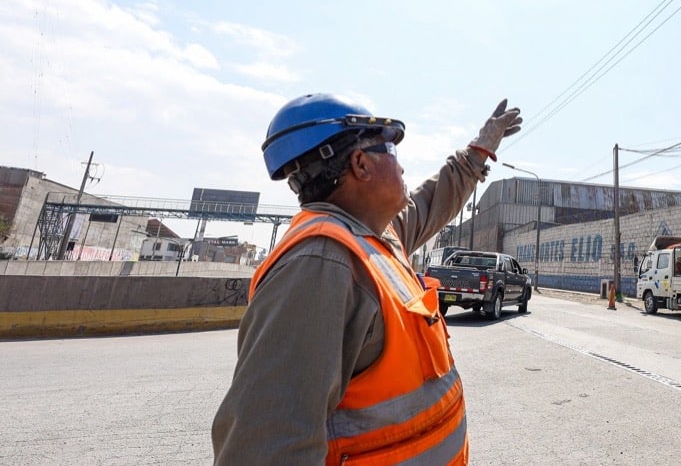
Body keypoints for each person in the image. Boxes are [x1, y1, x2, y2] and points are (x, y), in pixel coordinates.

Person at [212, 93, 522, 465]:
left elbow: (431, 203)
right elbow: (267, 446)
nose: (402, 168)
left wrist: (478, 151)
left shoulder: (375, 237)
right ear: (361, 164)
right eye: (391, 150)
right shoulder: (320, 263)